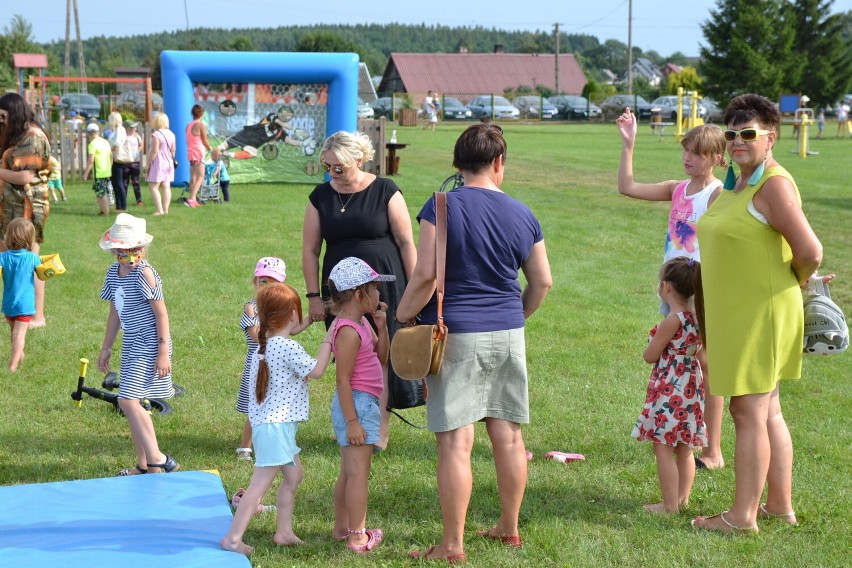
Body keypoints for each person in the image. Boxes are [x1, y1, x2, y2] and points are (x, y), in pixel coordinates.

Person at [396, 123, 552, 562]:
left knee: (455, 443)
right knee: (508, 437)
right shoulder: (523, 213)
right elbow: (542, 281)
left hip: (454, 333)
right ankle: (509, 527)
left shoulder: (440, 206)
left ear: (457, 164)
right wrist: (515, 317)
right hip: (507, 332)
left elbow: (425, 275)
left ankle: (451, 545)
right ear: (499, 163)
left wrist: (404, 316)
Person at [691, 93, 824, 533]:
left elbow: (810, 251)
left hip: (761, 313)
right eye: (731, 133)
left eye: (748, 134)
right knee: (767, 411)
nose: (737, 141)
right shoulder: (736, 183)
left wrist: (795, 281)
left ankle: (741, 516)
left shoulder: (774, 185)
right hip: (740, 313)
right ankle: (778, 507)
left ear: (771, 137)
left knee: (746, 411)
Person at [616, 108, 727, 471]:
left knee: (707, 367)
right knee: (679, 365)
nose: (687, 158)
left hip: (703, 293)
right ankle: (681, 431)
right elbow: (627, 187)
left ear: (715, 158)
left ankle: (711, 448)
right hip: (674, 290)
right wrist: (628, 144)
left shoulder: (716, 194)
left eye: (696, 153)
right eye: (685, 151)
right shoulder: (676, 189)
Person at [302, 130, 416, 450]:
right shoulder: (320, 197)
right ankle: (353, 418)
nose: (332, 174)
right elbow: (310, 250)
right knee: (351, 354)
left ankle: (378, 428)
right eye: (327, 167)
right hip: (340, 292)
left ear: (360, 159)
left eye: (339, 167)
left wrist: (414, 289)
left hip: (383, 286)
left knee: (382, 355)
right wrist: (313, 296)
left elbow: (407, 243)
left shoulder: (385, 190)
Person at [220, 282, 333, 556]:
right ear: (290, 315)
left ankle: (283, 531)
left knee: (294, 476)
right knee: (259, 486)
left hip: (273, 427)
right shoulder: (286, 346)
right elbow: (317, 371)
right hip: (276, 428)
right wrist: (329, 339)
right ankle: (233, 539)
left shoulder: (266, 344)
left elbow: (292, 334)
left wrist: (306, 322)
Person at [97, 213, 179, 477]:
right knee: (131, 403)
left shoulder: (145, 274)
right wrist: (107, 346)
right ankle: (144, 464)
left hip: (150, 343)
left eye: (136, 251)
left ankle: (158, 459)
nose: (131, 257)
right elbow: (115, 313)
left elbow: (162, 314)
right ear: (115, 251)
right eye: (124, 252)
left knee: (128, 400)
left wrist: (163, 351)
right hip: (132, 343)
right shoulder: (114, 272)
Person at [326, 257, 392, 553]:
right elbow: (342, 380)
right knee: (358, 476)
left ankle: (342, 528)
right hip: (357, 404)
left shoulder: (362, 321)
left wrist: (383, 326)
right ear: (358, 294)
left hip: (362, 404)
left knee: (349, 472)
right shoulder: (348, 332)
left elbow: (382, 357)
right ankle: (357, 536)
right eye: (376, 289)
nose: (380, 296)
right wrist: (353, 421)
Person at [632, 257, 706, 514]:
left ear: (666, 287)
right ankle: (682, 500)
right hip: (690, 387)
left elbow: (650, 355)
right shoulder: (697, 318)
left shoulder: (672, 320)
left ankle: (669, 505)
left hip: (670, 388)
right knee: (684, 448)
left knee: (663, 448)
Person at [236, 257, 311, 461]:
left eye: (273, 282)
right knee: (256, 405)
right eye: (263, 281)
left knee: (272, 404)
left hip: (277, 364)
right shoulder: (252, 307)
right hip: (260, 363)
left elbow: (292, 330)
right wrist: (279, 334)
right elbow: (255, 334)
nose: (266, 286)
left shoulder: (280, 307)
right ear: (255, 281)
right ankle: (245, 448)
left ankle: (270, 442)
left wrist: (309, 319)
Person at [0, 92, 51, 329]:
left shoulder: (34, 137)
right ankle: (16, 310)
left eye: (3, 116)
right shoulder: (17, 134)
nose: (1, 121)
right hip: (10, 207)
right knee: (8, 259)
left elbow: (25, 176)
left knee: (30, 260)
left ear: (16, 113)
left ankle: (37, 316)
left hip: (28, 209)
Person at [0, 218, 42, 371]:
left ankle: (20, 356)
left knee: (14, 332)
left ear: (8, 237)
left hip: (8, 304)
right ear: (30, 239)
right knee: (19, 334)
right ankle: (13, 365)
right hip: (24, 304)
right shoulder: (32, 258)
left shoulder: (3, 257)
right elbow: (43, 274)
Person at [146, 112, 176, 216]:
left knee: (154, 187)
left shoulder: (156, 135)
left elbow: (154, 151)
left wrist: (148, 163)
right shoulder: (172, 134)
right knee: (166, 187)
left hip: (158, 162)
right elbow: (173, 151)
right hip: (169, 162)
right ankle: (166, 209)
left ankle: (159, 210)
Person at [83, 123, 112, 216]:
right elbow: (111, 156)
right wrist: (110, 166)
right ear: (98, 132)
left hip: (99, 171)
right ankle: (102, 210)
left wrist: (86, 173)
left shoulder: (92, 144)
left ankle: (106, 212)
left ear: (88, 133)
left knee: (101, 193)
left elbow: (91, 160)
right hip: (107, 170)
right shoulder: (105, 142)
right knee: (100, 192)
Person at [185, 104, 211, 208]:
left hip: (191, 152)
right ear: (202, 114)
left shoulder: (189, 125)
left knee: (193, 178)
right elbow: (204, 140)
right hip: (199, 153)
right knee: (200, 177)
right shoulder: (201, 125)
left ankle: (192, 198)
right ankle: (191, 199)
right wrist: (210, 148)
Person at [107, 112, 132, 212]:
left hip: (118, 159)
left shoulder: (120, 130)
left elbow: (118, 144)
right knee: (115, 183)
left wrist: (108, 150)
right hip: (114, 159)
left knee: (119, 182)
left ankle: (123, 205)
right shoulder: (115, 130)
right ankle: (118, 205)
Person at [125, 121, 144, 206]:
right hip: (125, 161)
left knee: (135, 181)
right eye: (132, 128)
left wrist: (137, 151)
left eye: (134, 128)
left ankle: (139, 200)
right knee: (124, 182)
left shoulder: (137, 136)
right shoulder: (124, 137)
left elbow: (141, 145)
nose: (134, 129)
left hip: (135, 162)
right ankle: (123, 199)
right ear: (127, 128)